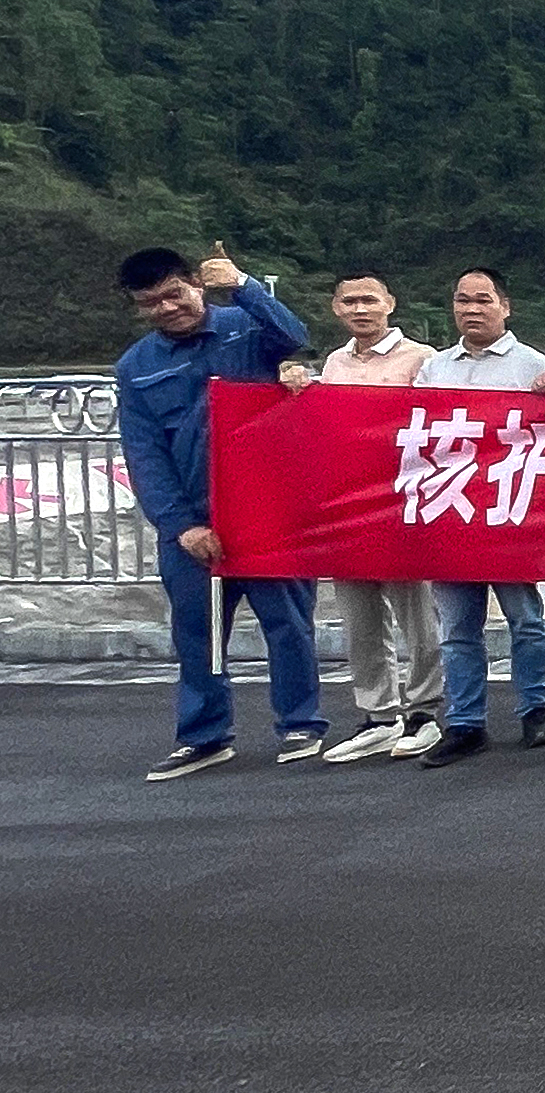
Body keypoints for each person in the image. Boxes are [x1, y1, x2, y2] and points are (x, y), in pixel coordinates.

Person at [117, 244, 328, 780]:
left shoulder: (244, 327)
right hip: (193, 524)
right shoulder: (135, 368)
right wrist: (180, 525)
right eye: (150, 303)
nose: (166, 308)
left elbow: (295, 336)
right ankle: (204, 735)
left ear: (196, 284)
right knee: (197, 633)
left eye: (175, 294)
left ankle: (300, 724)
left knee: (288, 624)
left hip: (268, 511)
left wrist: (243, 284)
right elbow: (145, 454)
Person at [300, 268, 446, 763]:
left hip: (404, 498)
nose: (360, 310)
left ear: (390, 302)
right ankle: (379, 714)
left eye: (369, 300)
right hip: (349, 503)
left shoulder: (422, 359)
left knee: (417, 614)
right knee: (359, 614)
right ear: (336, 309)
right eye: (349, 302)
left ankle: (425, 710)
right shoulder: (336, 363)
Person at [415, 266, 545, 758]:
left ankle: (535, 711)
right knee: (456, 629)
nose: (471, 310)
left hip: (508, 512)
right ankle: (465, 723)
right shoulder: (434, 368)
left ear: (505, 306)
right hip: (450, 511)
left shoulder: (532, 365)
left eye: (482, 300)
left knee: (526, 620)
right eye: (462, 300)